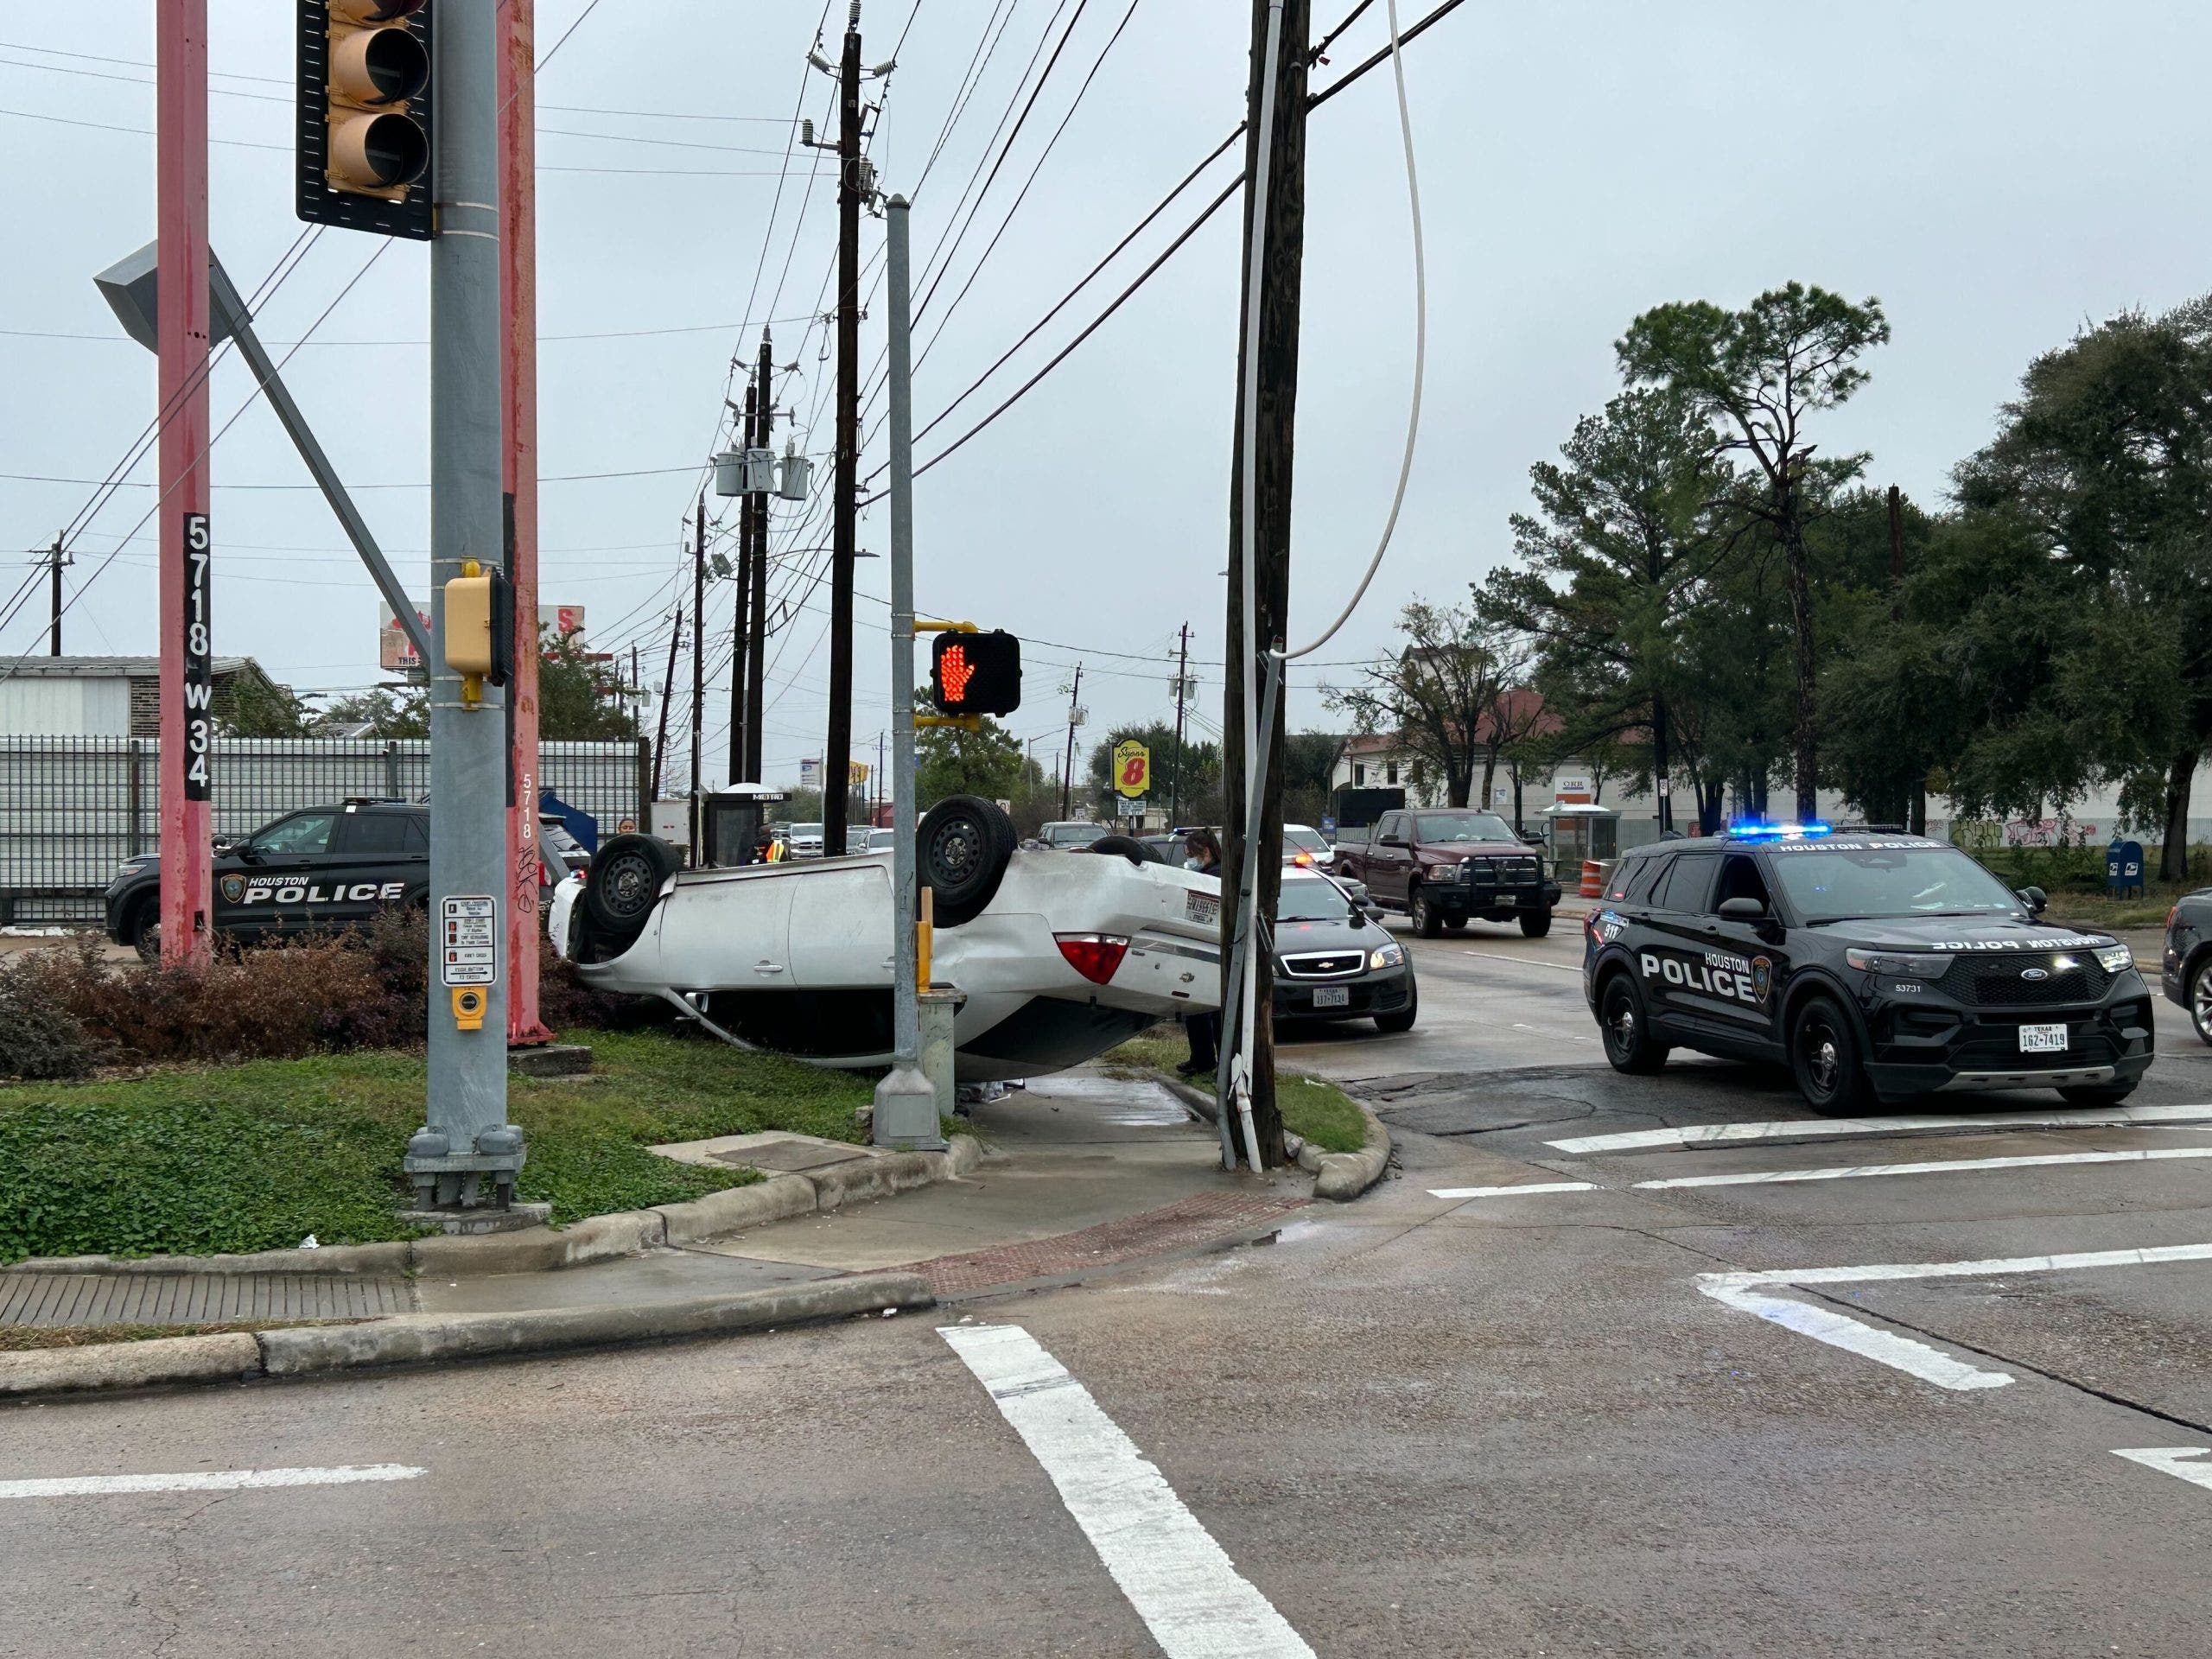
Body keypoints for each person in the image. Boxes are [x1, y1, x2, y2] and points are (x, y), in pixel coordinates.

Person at [1179, 828, 1223, 1077]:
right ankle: (1202, 1058)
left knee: (1206, 1010)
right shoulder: (1209, 872)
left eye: (1191, 855)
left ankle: (1207, 1060)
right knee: (1199, 1010)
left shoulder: (1213, 876)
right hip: (1207, 947)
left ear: (1205, 851)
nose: (1189, 860)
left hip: (1212, 948)